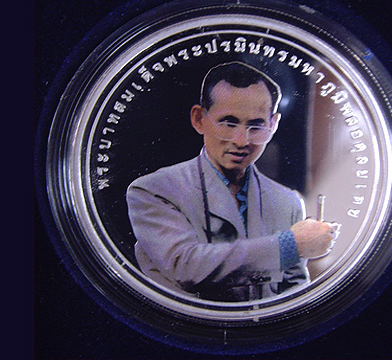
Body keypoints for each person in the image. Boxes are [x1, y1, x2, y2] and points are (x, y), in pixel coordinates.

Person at [126, 61, 339, 302]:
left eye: (256, 126)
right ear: (199, 119)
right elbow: (185, 267)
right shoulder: (153, 191)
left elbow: (293, 296)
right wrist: (287, 246)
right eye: (229, 123)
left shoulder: (287, 202)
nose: (241, 141)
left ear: (273, 125)